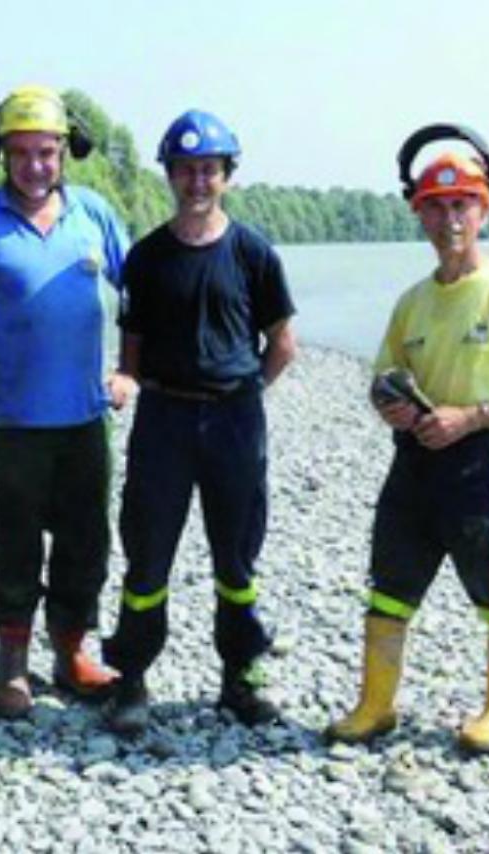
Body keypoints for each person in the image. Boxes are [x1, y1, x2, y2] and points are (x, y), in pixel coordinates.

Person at [325, 127, 489, 753]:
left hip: (483, 462)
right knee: (389, 583)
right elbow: (381, 380)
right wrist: (393, 408)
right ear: (419, 214)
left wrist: (473, 416)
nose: (450, 218)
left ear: (485, 209)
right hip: (415, 464)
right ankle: (375, 706)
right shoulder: (412, 302)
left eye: (463, 205)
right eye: (436, 205)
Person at [0, 85, 131, 719]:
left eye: (46, 152)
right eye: (21, 154)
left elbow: (142, 296)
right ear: (1, 153)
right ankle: (10, 667)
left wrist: (129, 370)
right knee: (11, 543)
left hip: (85, 421)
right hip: (11, 422)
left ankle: (71, 656)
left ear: (67, 151)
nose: (35, 166)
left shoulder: (95, 214)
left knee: (85, 542)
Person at [101, 109, 297, 734]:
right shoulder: (147, 258)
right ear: (170, 176)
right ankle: (131, 679)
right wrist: (128, 383)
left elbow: (282, 345)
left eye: (208, 170)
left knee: (236, 561)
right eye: (185, 171)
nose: (197, 182)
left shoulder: (254, 254)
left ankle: (241, 678)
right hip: (162, 421)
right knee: (147, 557)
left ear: (227, 177)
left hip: (235, 422)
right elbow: (129, 352)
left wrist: (241, 395)